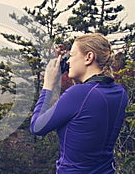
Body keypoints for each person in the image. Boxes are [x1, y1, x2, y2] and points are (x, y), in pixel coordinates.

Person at [30, 33, 128, 173]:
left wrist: (47, 86)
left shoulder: (78, 94)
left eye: (72, 55)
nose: (68, 61)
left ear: (89, 57)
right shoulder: (119, 93)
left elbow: (37, 127)